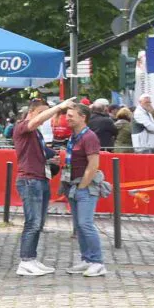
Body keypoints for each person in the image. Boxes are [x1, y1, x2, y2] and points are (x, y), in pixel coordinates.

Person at [11, 97, 61, 276]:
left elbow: (41, 151)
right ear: (31, 112)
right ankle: (25, 260)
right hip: (30, 180)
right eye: (41, 113)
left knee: (38, 223)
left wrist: (52, 156)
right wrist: (60, 107)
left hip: (40, 178)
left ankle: (31, 258)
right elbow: (35, 123)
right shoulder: (22, 126)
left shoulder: (36, 133)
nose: (44, 117)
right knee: (32, 222)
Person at [67, 105, 107, 276]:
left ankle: (97, 262)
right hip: (74, 185)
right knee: (79, 225)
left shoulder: (89, 137)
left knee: (85, 224)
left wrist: (82, 186)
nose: (67, 118)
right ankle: (87, 259)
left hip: (85, 187)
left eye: (71, 115)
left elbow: (93, 164)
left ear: (83, 117)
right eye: (67, 115)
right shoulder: (74, 136)